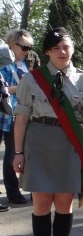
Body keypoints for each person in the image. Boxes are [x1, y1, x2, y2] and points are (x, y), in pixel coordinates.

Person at [13, 28, 83, 236]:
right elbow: (22, 117)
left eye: (66, 47)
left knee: (64, 202)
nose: (62, 52)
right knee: (41, 202)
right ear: (48, 51)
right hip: (38, 141)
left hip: (69, 142)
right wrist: (18, 152)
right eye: (57, 47)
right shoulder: (32, 79)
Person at [0, 28, 36, 205]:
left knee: (15, 153)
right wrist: (23, 86)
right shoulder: (4, 64)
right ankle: (13, 193)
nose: (27, 51)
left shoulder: (22, 64)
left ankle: (15, 192)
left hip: (17, 114)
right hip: (4, 114)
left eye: (30, 47)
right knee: (11, 156)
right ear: (13, 45)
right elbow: (4, 90)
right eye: (24, 47)